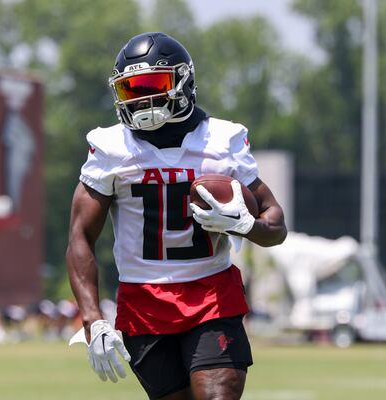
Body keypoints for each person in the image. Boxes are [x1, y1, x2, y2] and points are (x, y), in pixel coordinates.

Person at [66, 32, 287, 400]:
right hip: (143, 302)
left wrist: (247, 225)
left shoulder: (222, 140)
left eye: (153, 84)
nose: (142, 98)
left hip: (213, 292)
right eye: (131, 89)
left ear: (183, 80)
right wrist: (93, 319)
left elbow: (275, 223)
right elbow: (80, 237)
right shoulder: (110, 148)